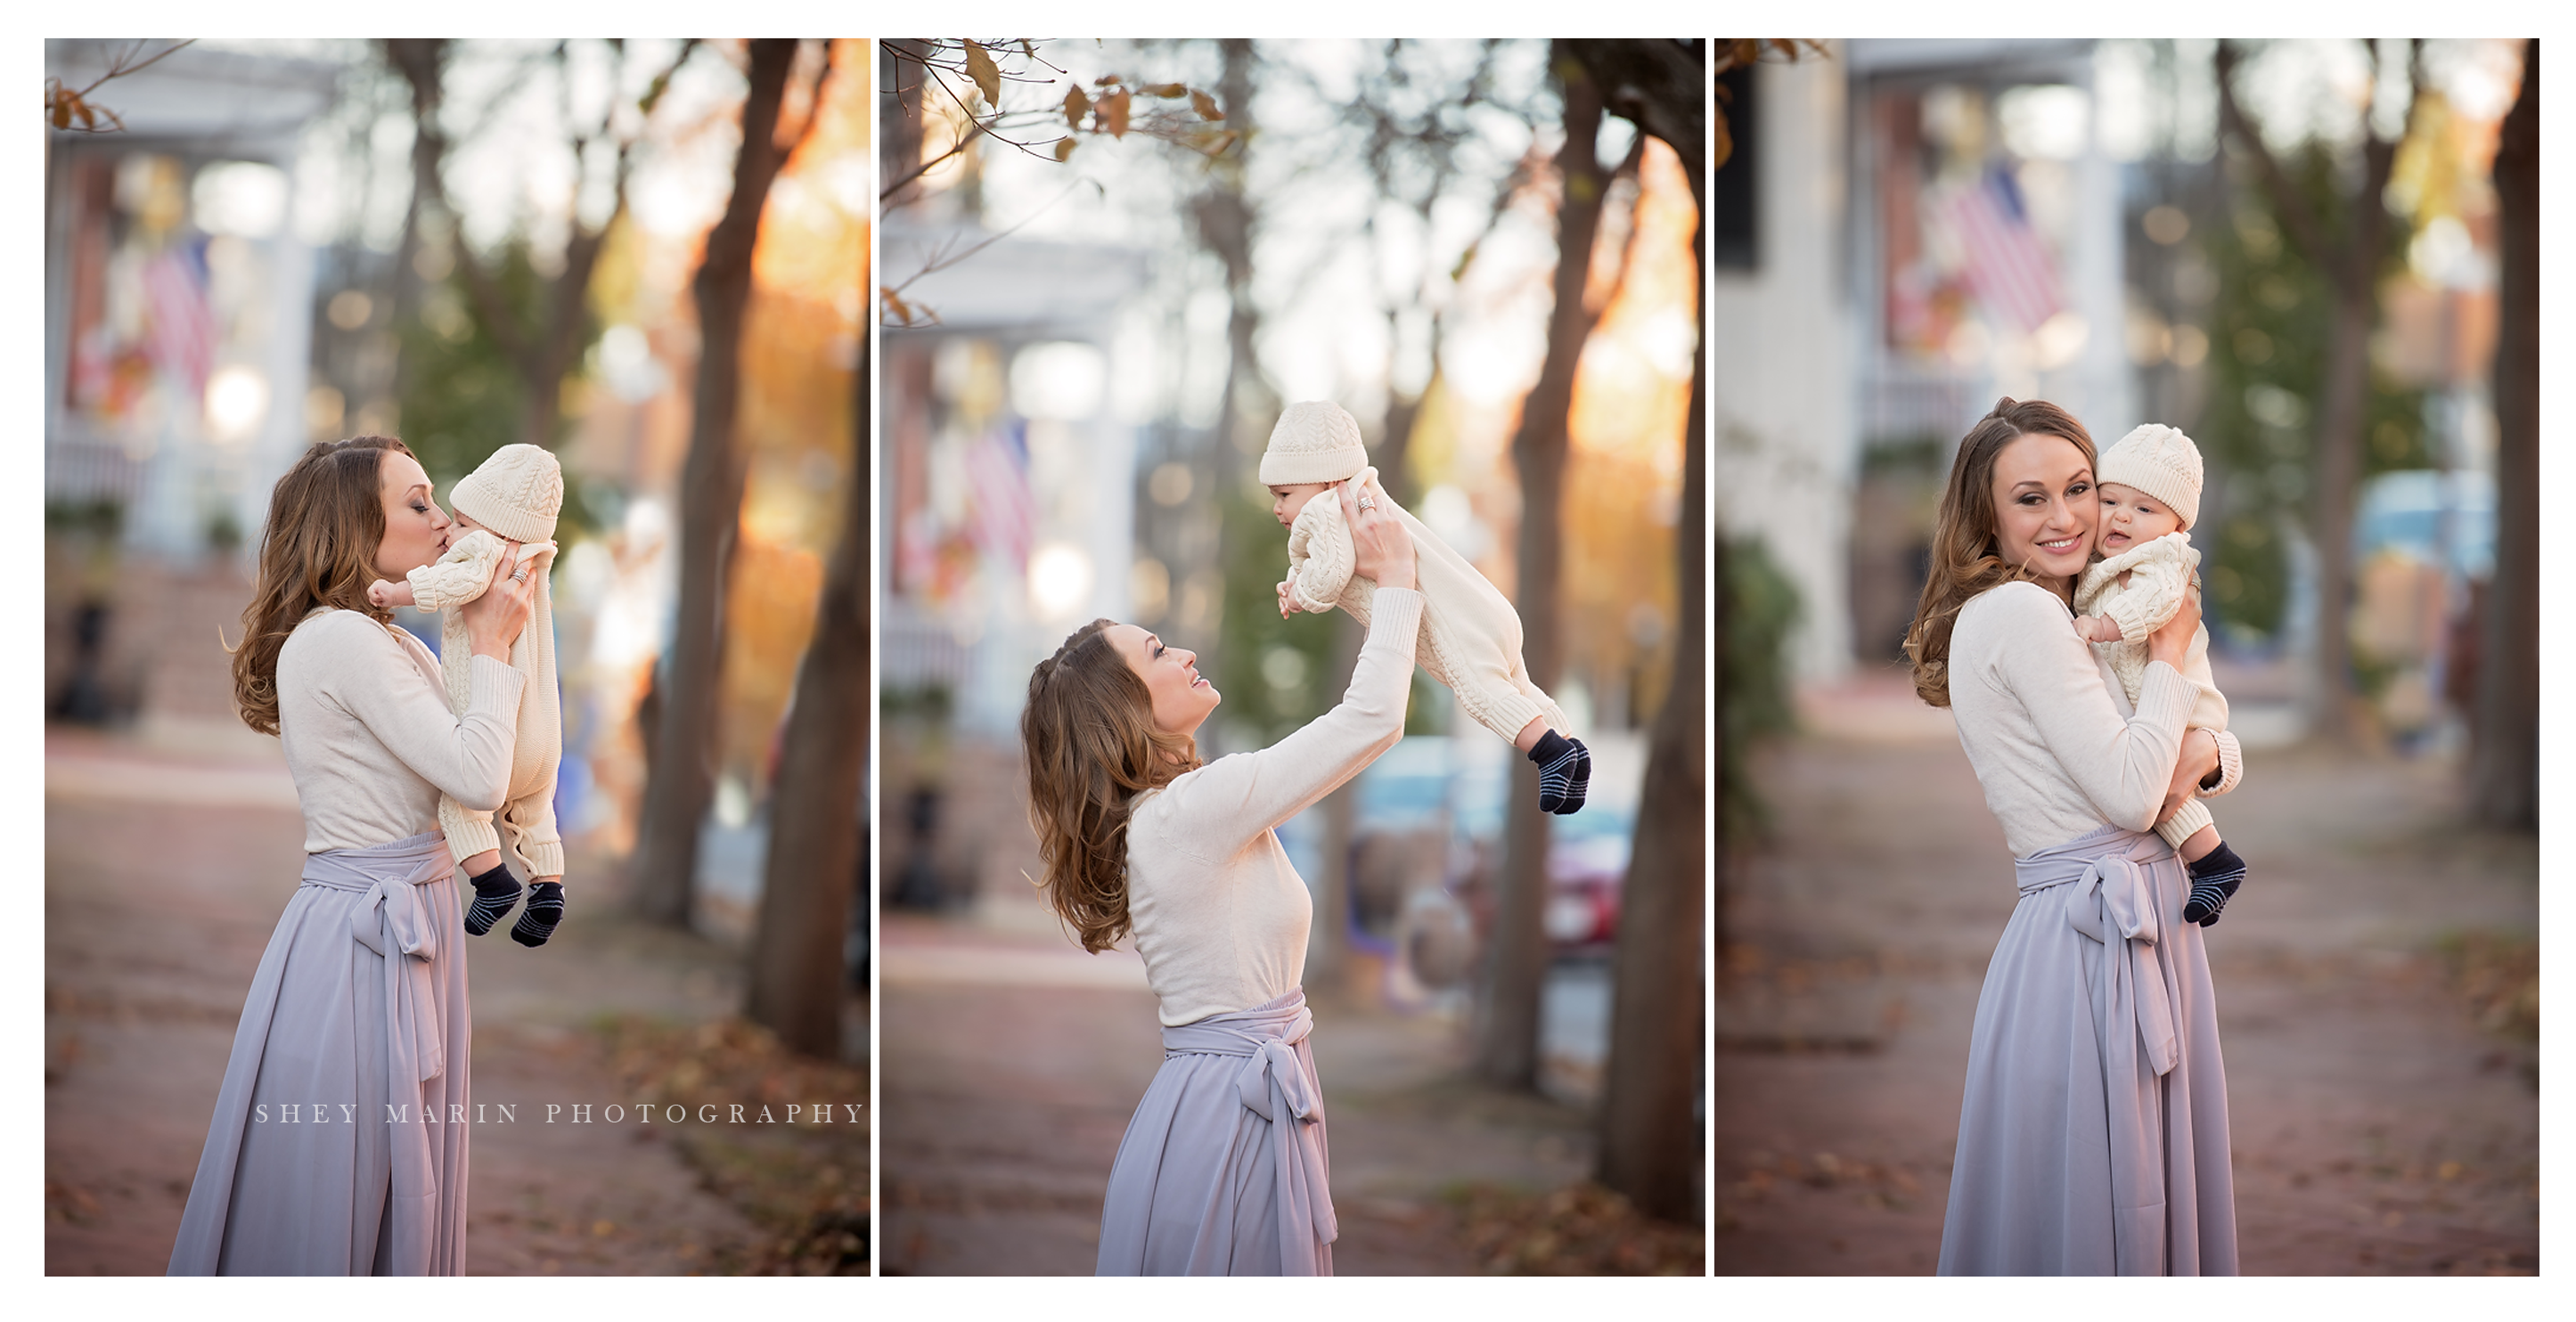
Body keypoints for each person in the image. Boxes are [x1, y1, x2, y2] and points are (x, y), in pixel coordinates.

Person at [1022, 470, 1420, 1276]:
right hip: (1228, 1120)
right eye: (1158, 652)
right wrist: (1397, 581)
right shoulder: (1190, 813)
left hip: (1228, 1106)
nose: (1186, 651)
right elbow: (1370, 720)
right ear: (1124, 710)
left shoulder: (1172, 815)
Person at [169, 436, 536, 1275]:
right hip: (364, 943)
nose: (443, 521)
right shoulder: (342, 641)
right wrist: (489, 646)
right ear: (348, 532)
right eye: (417, 504)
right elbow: (476, 779)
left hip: (411, 923)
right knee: (346, 1183)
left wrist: (506, 632)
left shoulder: (391, 641)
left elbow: (495, 768)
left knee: (388, 1186)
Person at [1902, 397, 2245, 1276]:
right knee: (2099, 1220)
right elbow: (2134, 791)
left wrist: (2211, 748)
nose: (2064, 517)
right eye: (2029, 498)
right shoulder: (2022, 616)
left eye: (2079, 487)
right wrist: (2170, 651)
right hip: (2092, 939)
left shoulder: (2066, 609)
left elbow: (2173, 747)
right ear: (1985, 515)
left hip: (2118, 926)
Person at [1263, 399, 1590, 813]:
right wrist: (1297, 578)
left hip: (1458, 624)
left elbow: (1330, 574)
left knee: (1481, 693)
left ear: (1326, 482)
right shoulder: (1365, 499)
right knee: (1517, 688)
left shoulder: (1327, 511)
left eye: (1284, 494)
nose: (1277, 507)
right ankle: (1572, 753)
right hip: (1488, 611)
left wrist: (1298, 595)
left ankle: (1549, 754)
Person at [365, 442, 568, 946]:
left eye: (460, 520)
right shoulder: (536, 562)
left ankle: (491, 882)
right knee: (536, 813)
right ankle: (548, 891)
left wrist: (398, 593)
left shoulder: (486, 550)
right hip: (542, 735)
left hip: (499, 724)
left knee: (460, 804)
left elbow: (458, 579)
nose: (449, 530)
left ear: (494, 526)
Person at [2069, 423, 2251, 925]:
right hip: (2149, 694)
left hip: (2184, 701)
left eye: (2145, 509)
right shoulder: (2103, 559)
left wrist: (2105, 625)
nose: (2122, 516)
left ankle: (2215, 862)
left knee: (2162, 787)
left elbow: (2160, 601)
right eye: (2111, 501)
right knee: (2159, 793)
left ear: (2176, 527)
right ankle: (2212, 865)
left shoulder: (2163, 557)